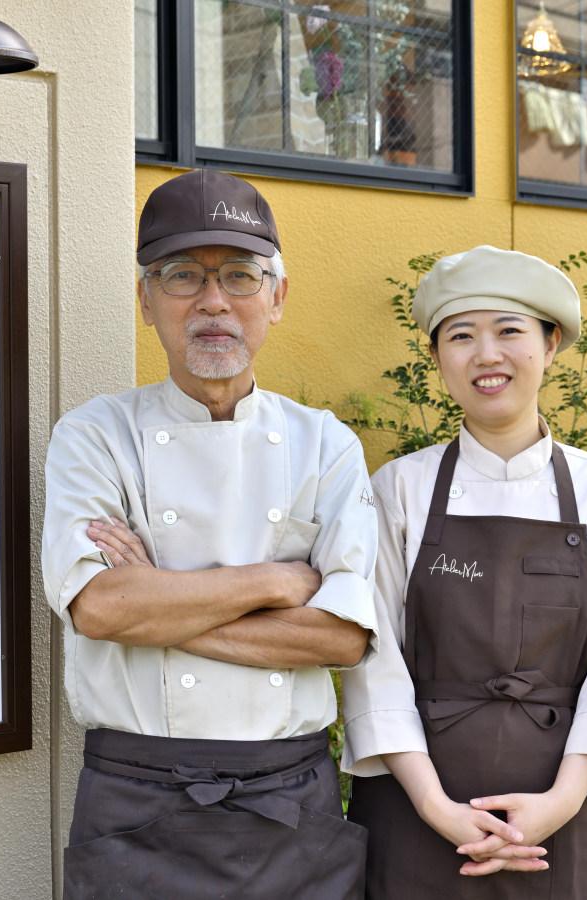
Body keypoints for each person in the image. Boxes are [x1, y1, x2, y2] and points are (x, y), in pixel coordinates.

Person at [42, 169, 379, 899]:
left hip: (289, 798)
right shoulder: (95, 436)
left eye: (239, 275)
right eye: (182, 275)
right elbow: (97, 608)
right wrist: (277, 581)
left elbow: (342, 639)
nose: (213, 301)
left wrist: (154, 605)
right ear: (145, 300)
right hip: (136, 796)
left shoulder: (326, 444)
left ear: (277, 297)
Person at [341, 245, 587, 898]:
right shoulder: (398, 490)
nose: (486, 355)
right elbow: (373, 660)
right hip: (417, 808)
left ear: (550, 343)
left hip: (563, 813)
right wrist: (436, 807)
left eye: (509, 331)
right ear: (437, 357)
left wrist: (559, 803)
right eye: (461, 336)